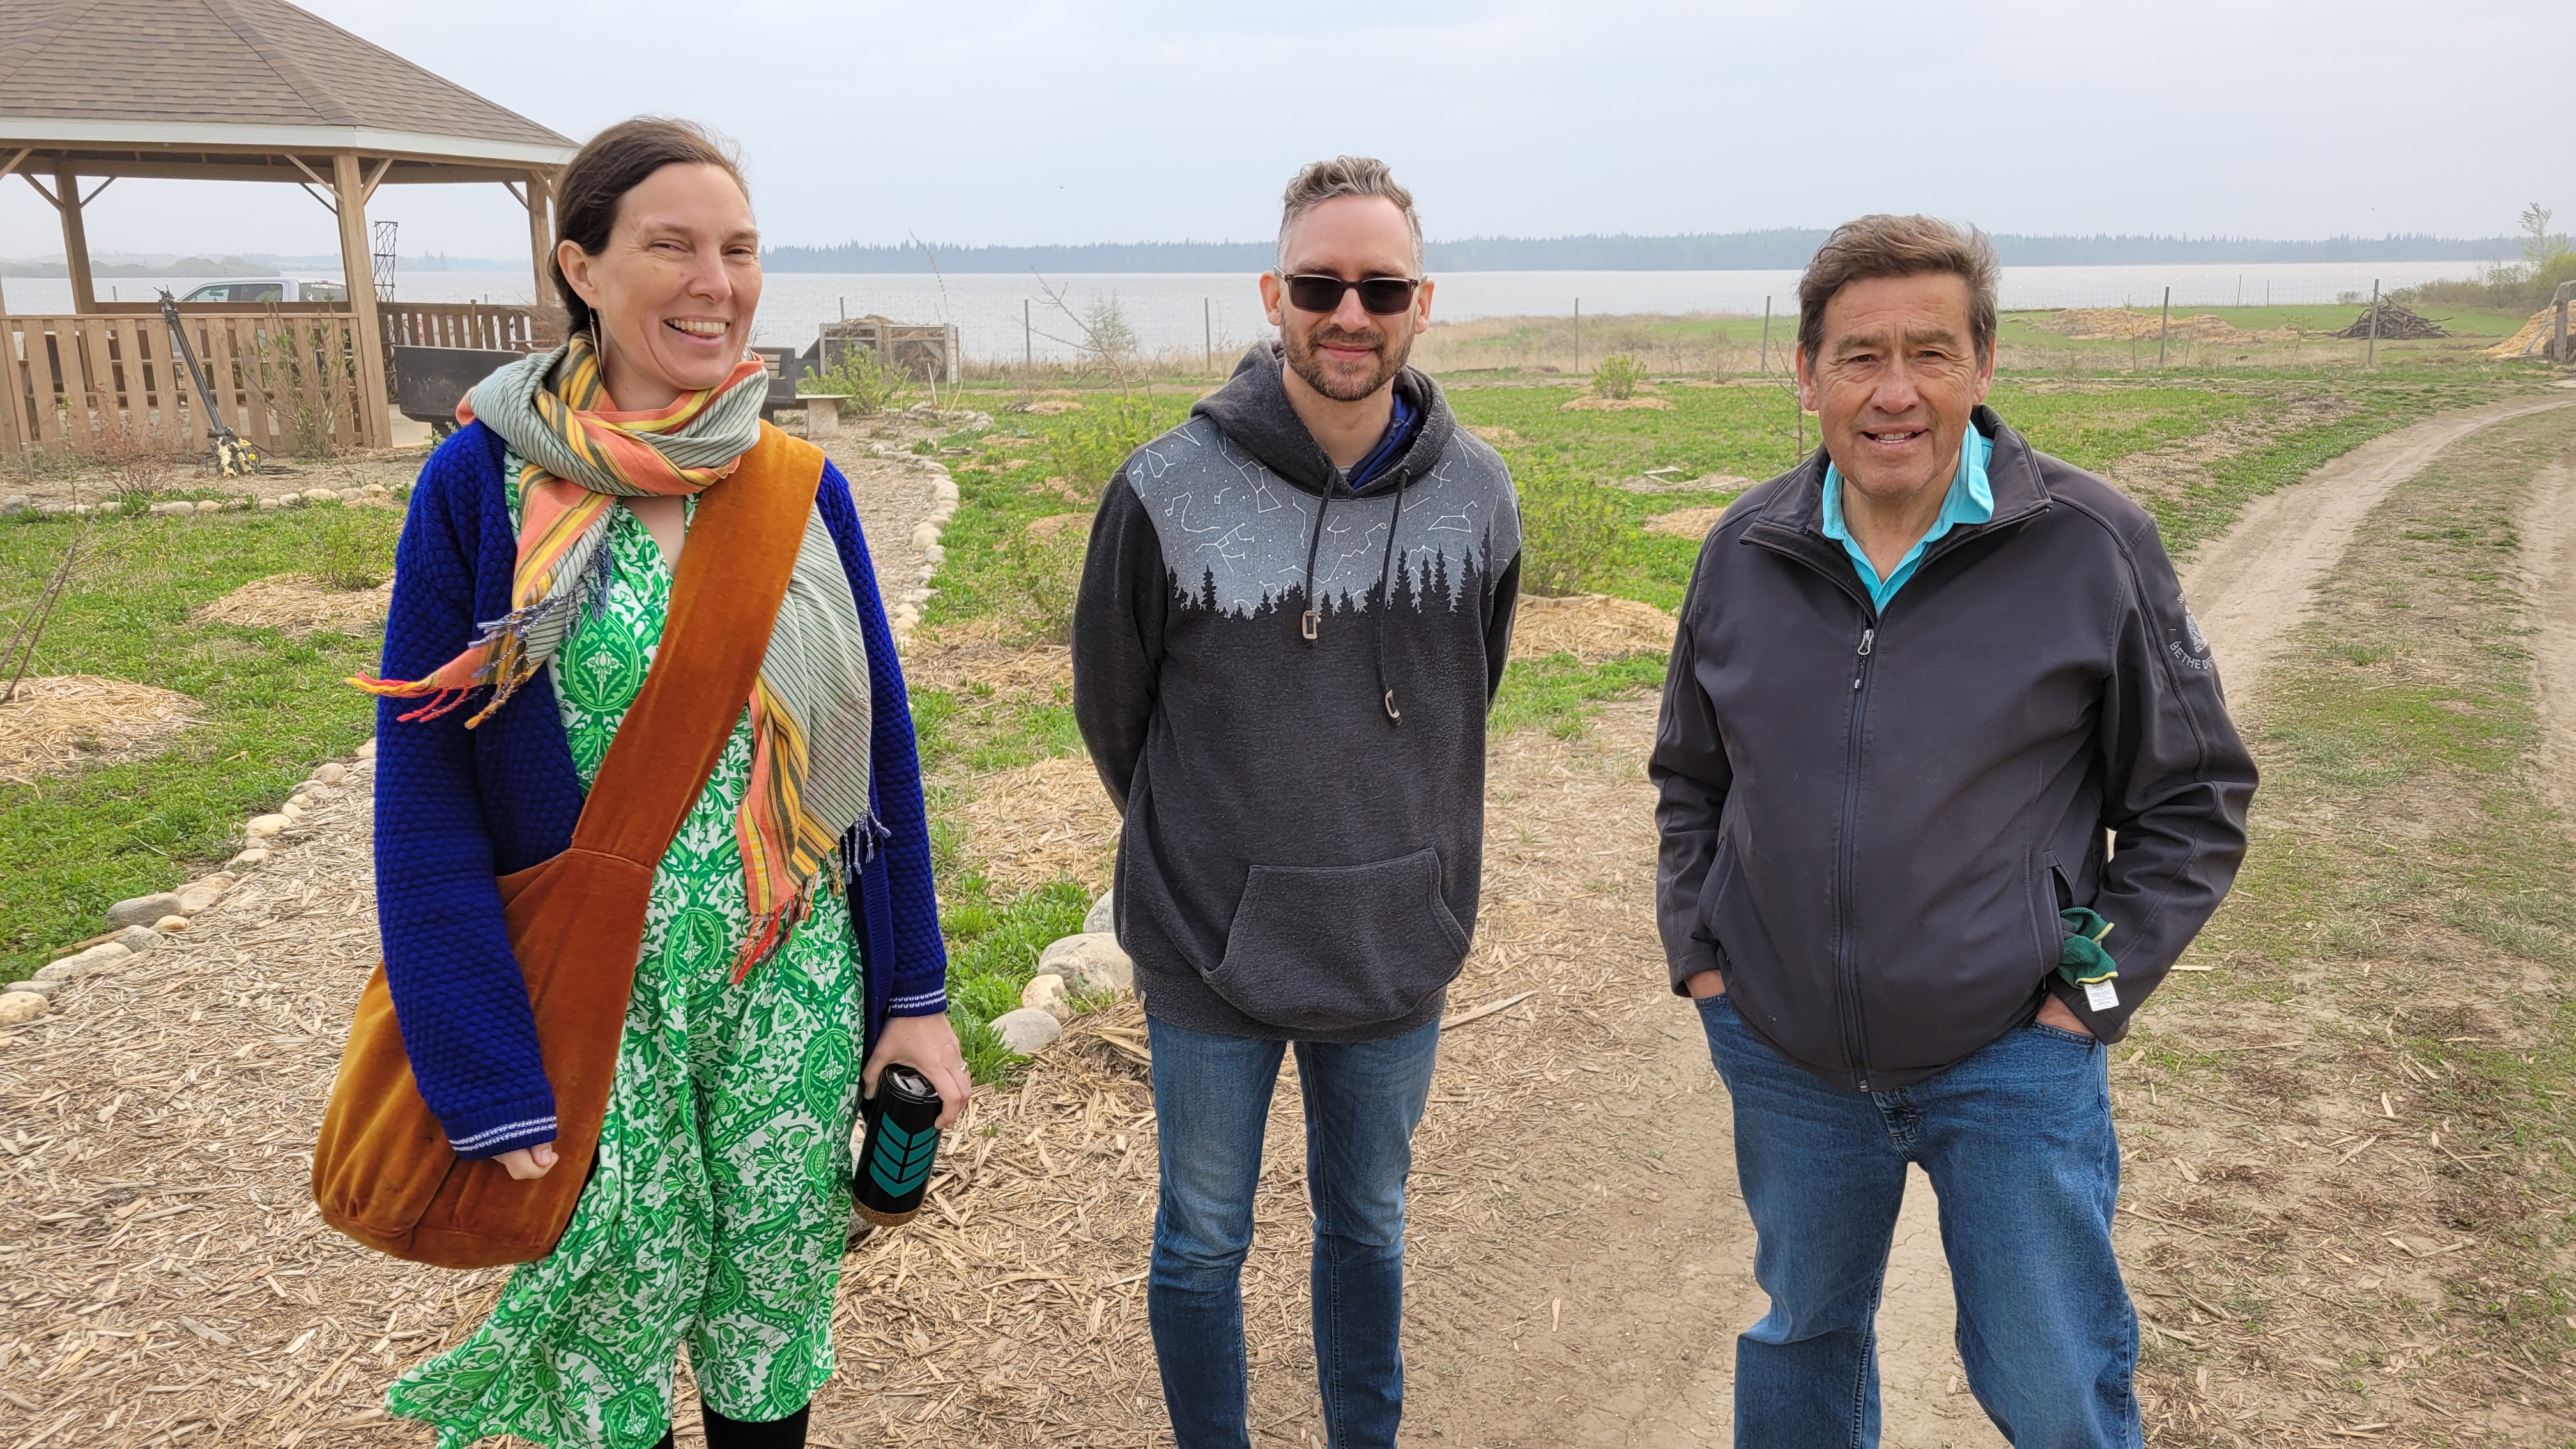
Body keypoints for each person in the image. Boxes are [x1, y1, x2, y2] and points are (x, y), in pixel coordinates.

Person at [360, 118, 965, 1449]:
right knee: (610, 1310)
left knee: (770, 1306)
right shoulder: (481, 482)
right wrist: (479, 1062)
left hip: (791, 982)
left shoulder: (798, 486)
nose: (715, 281)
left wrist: (913, 997)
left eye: (739, 249)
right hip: (590, 995)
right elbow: (424, 791)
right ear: (582, 267)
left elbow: (881, 762)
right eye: (671, 246)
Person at [1652, 214, 2257, 1447]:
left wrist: (2084, 999)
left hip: (2009, 1063)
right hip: (1788, 1060)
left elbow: (2193, 798)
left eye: (1930, 353)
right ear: (1806, 372)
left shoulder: (2091, 545)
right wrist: (1705, 958)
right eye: (1859, 356)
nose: (1894, 393)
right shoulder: (1743, 551)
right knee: (1802, 1347)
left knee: (2052, 1386)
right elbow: (1691, 779)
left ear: (1984, 367)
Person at [1072, 156, 1520, 1449]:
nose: (1349, 313)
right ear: (1274, 293)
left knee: (1368, 1223)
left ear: (1419, 302)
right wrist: (1223, 839)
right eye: (1321, 283)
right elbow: (1117, 712)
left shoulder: (1478, 493)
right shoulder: (1165, 489)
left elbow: (1466, 689)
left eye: (1379, 287)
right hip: (1210, 944)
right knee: (1203, 1235)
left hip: (1395, 947)